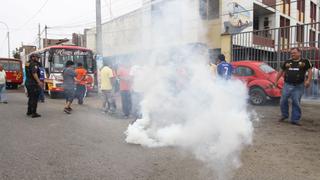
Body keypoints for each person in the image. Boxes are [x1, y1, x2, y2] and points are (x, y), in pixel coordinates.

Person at [274, 47, 312, 126]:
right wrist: (276, 81)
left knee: (296, 102)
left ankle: (295, 119)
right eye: (291, 53)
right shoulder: (287, 62)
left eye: (294, 53)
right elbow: (281, 71)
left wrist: (308, 80)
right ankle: (284, 115)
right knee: (283, 100)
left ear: (299, 53)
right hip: (287, 85)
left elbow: (309, 71)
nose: (292, 54)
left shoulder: (305, 62)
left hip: (299, 86)